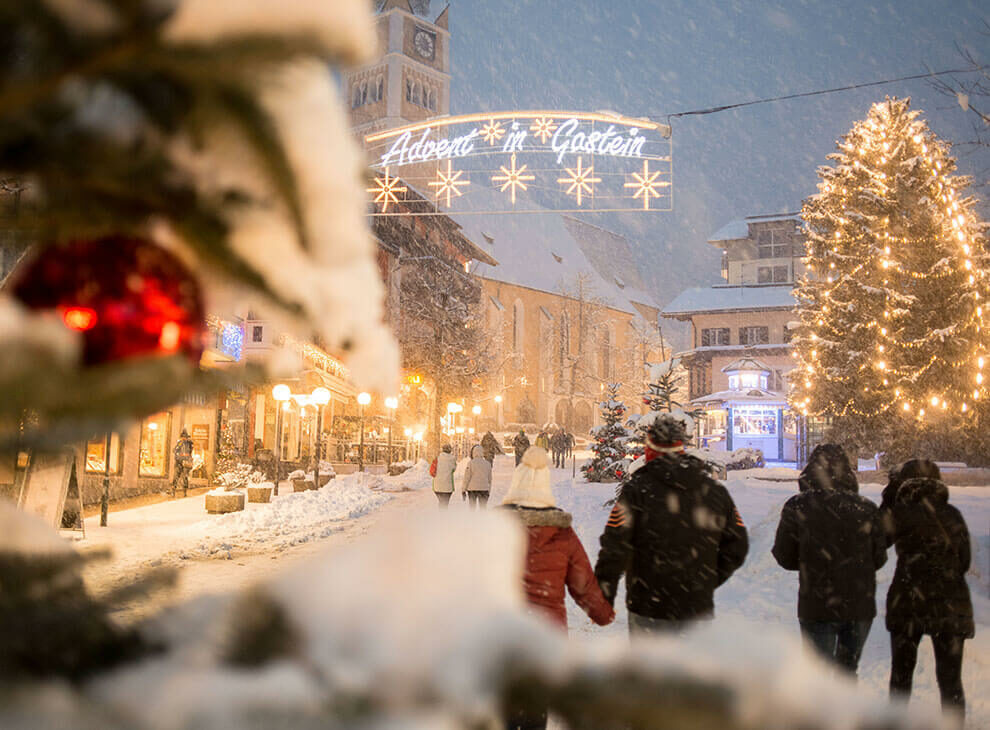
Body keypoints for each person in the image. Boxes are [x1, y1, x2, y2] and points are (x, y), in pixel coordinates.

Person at [595, 414, 748, 635]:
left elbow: (615, 546)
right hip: (695, 608)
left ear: (650, 449)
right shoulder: (713, 491)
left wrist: (603, 595)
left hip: (647, 606)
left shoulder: (637, 491)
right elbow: (737, 545)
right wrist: (706, 580)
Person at [502, 445, 614, 730]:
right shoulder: (561, 533)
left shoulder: (495, 529)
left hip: (502, 636)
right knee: (535, 711)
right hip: (545, 638)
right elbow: (583, 584)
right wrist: (602, 613)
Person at [771, 443, 887, 676]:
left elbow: (784, 556)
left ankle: (822, 712)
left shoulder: (798, 506)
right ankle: (845, 711)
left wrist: (810, 562)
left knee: (818, 676)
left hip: (817, 603)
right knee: (847, 672)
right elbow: (879, 557)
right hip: (859, 605)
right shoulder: (866, 508)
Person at [880, 460, 973, 720]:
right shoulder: (952, 514)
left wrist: (888, 498)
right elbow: (964, 561)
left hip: (908, 602)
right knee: (951, 680)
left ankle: (894, 725)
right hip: (951, 605)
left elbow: (878, 540)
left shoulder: (899, 513)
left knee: (901, 676)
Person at [462, 444, 493, 509]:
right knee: (483, 508)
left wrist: (463, 489)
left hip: (472, 489)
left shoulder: (470, 463)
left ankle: (473, 518)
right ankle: (482, 518)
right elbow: (489, 479)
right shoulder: (487, 464)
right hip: (484, 489)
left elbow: (466, 477)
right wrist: (488, 491)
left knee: (472, 508)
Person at [430, 444, 457, 509]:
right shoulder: (453, 459)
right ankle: (443, 516)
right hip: (448, 487)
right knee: (445, 503)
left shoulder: (437, 459)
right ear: (450, 450)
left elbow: (432, 472)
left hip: (437, 486)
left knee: (441, 502)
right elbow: (453, 469)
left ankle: (441, 516)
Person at [171, 429, 195, 497]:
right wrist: (179, 457)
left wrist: (187, 458)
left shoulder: (189, 444)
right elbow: (175, 450)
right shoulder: (180, 443)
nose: (184, 438)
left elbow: (190, 451)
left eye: (185, 437)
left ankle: (184, 491)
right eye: (183, 437)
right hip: (179, 462)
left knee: (185, 477)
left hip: (185, 462)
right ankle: (173, 489)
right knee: (176, 476)